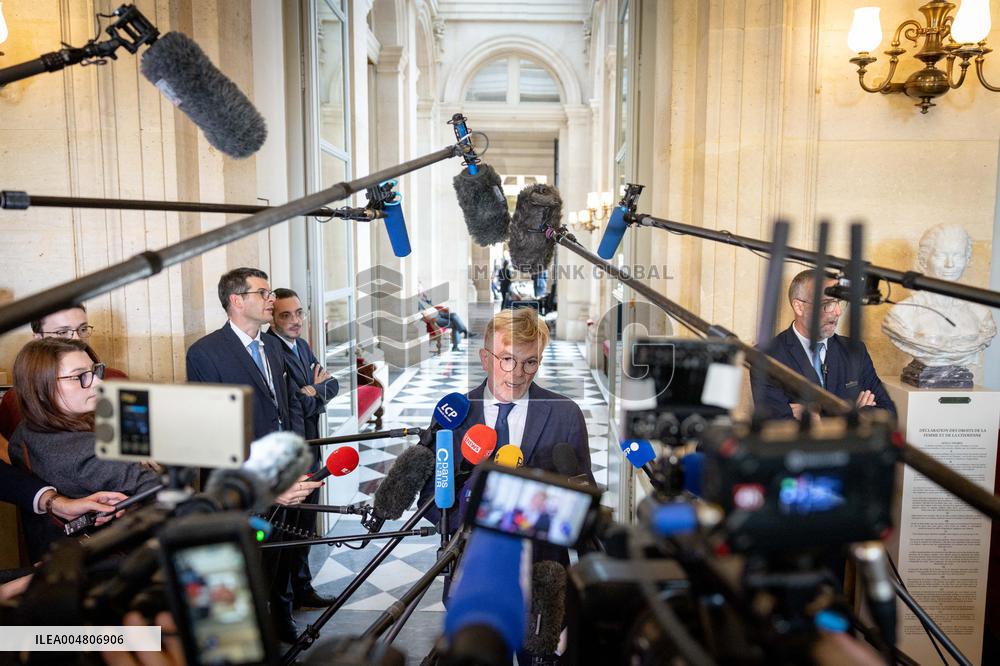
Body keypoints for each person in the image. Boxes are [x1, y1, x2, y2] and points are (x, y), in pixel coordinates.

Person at [185, 267, 306, 642]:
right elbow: (215, 435)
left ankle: (282, 618)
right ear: (236, 301)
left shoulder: (272, 345)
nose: (272, 299)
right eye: (263, 293)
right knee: (250, 564)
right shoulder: (206, 352)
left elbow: (288, 407)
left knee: (283, 553)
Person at [6, 339, 160, 559]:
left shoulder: (25, 431)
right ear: (41, 387)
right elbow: (166, 493)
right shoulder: (89, 453)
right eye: (79, 377)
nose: (98, 383)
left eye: (95, 371)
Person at [264, 288, 339, 613]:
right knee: (287, 532)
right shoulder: (271, 350)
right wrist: (313, 393)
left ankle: (303, 588)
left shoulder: (303, 345)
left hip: (312, 452)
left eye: (298, 313)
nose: (295, 321)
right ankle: (284, 603)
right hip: (292, 455)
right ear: (272, 318)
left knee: (306, 528)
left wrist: (316, 390)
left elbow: (332, 385)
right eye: (285, 315)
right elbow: (295, 403)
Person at [751, 269, 896, 421]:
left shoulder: (855, 350)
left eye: (839, 302)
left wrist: (834, 417)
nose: (838, 311)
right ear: (799, 307)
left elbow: (887, 412)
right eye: (828, 304)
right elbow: (776, 425)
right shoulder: (767, 357)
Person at [0, 305, 128, 440]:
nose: (77, 339)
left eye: (83, 329)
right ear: (38, 338)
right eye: (62, 332)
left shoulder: (115, 379)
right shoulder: (15, 401)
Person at [417, 287, 474, 352]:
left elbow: (431, 304)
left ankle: (465, 332)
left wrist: (426, 297)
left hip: (439, 313)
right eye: (420, 290)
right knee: (455, 324)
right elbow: (422, 314)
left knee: (454, 315)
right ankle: (459, 341)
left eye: (422, 290)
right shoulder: (417, 302)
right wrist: (430, 318)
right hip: (435, 318)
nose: (422, 291)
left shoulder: (423, 299)